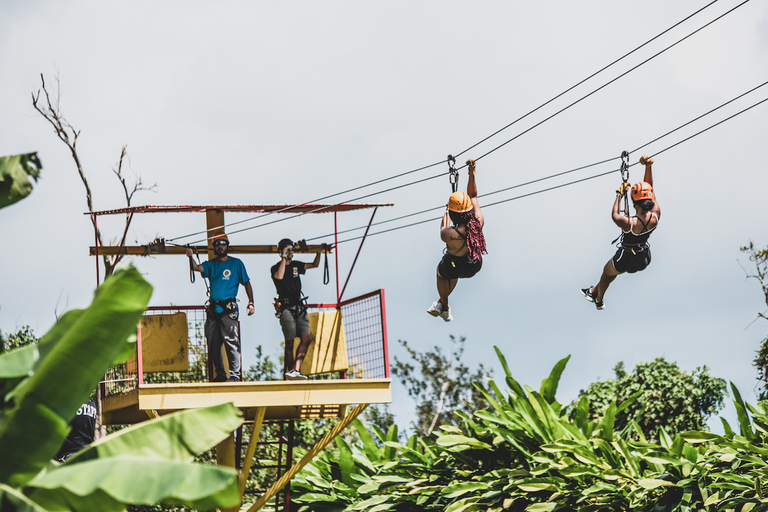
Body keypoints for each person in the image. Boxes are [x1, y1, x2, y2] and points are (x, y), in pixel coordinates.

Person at [581, 155, 661, 310]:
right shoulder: (656, 216)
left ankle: (599, 300)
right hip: (644, 257)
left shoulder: (629, 223)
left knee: (606, 272)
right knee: (612, 273)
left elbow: (615, 215)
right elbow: (650, 188)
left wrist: (618, 195)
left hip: (626, 258)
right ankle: (593, 291)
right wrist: (648, 167)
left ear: (634, 201)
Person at [186, 231, 254, 382]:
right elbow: (196, 268)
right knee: (213, 342)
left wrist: (251, 302)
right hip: (214, 310)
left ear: (227, 245)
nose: (220, 246)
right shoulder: (212, 265)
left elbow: (246, 282)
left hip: (228, 309)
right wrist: (190, 256)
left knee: (231, 342)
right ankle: (221, 375)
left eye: (223, 244)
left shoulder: (236, 264)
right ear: (214, 247)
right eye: (217, 244)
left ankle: (235, 376)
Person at [427, 159, 487, 322]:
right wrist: (471, 173)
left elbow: (443, 227)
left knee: (442, 273)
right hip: (473, 265)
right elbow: (473, 195)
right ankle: (440, 304)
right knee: (455, 270)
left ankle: (445, 307)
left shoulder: (449, 235)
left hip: (453, 266)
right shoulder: (478, 222)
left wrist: (447, 211)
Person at [271, 238, 322, 380]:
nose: (291, 252)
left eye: (292, 249)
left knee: (306, 338)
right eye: (288, 250)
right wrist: (283, 257)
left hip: (299, 306)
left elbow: (314, 264)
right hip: (286, 307)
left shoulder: (296, 265)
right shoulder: (276, 267)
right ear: (281, 251)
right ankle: (290, 371)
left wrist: (318, 253)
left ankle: (295, 370)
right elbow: (279, 277)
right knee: (290, 341)